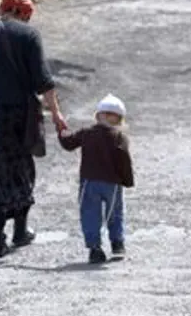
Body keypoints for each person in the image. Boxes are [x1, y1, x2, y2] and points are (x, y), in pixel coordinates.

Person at [0, 0, 68, 257]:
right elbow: (44, 81)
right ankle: (20, 231)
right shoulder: (29, 36)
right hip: (20, 115)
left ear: (1, 9)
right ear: (24, 14)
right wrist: (57, 115)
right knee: (21, 168)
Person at [57, 94, 135, 264]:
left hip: (89, 182)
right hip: (112, 184)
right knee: (115, 213)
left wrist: (61, 131)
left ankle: (95, 248)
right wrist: (127, 181)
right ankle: (117, 243)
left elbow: (68, 144)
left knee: (90, 214)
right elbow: (125, 161)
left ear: (98, 116)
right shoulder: (120, 137)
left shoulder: (86, 133)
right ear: (118, 119)